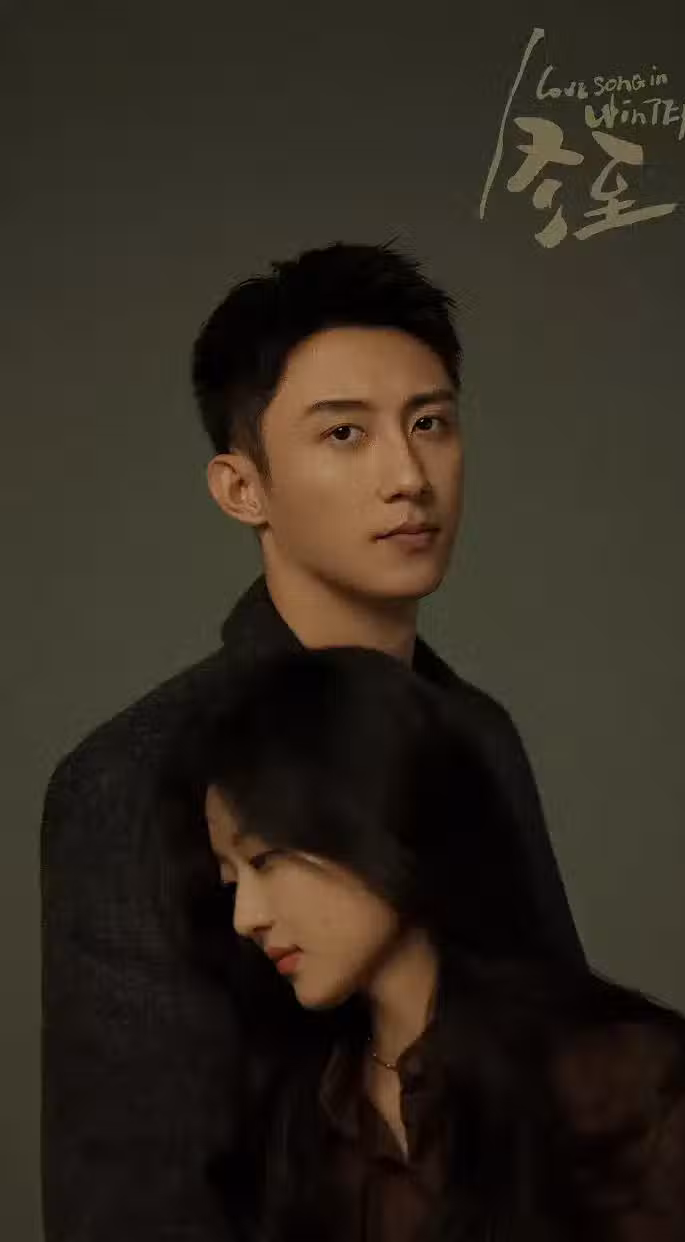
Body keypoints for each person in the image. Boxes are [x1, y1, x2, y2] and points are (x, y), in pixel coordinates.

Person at [41, 242, 583, 1242]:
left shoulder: (475, 733)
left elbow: (569, 1078)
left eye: (430, 423)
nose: (407, 476)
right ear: (241, 488)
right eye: (344, 434)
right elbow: (131, 1201)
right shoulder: (136, 777)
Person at [166, 645, 685, 1242]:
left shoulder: (627, 1084)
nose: (245, 917)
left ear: (374, 812)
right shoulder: (297, 1130)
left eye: (265, 860)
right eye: (231, 882)